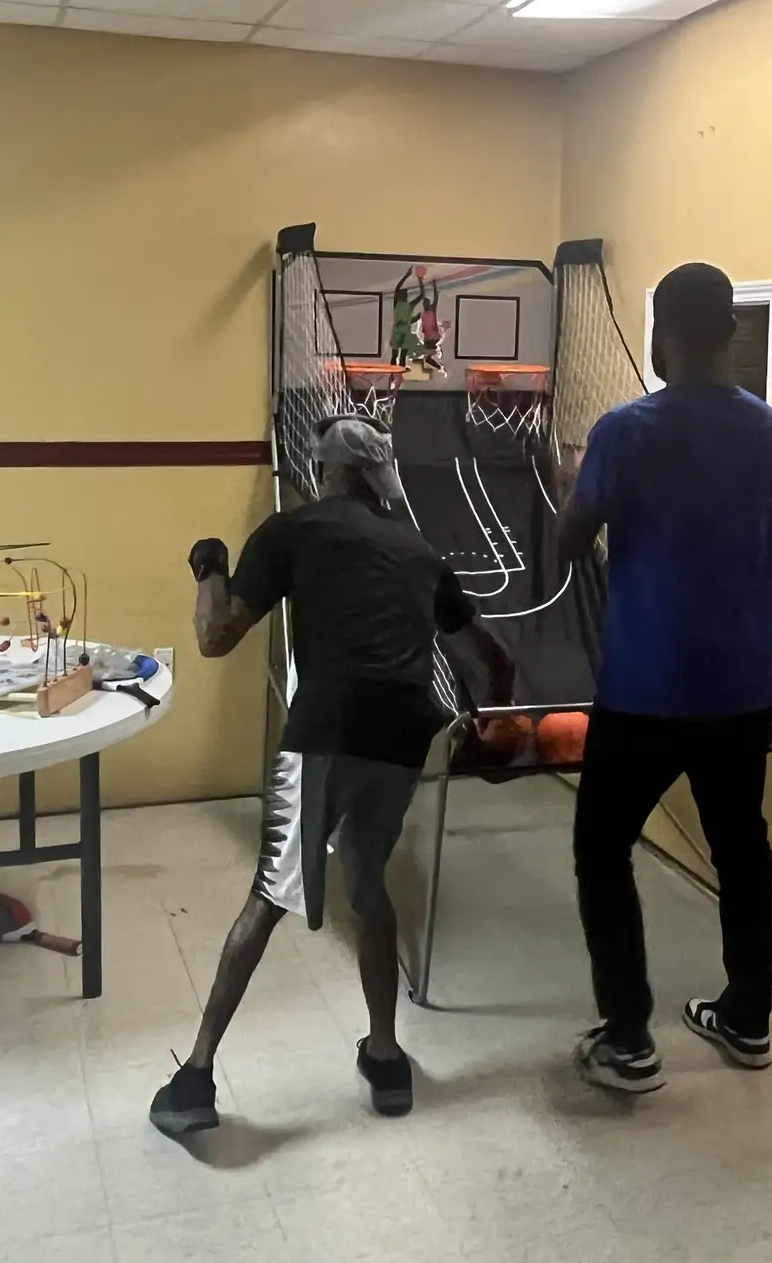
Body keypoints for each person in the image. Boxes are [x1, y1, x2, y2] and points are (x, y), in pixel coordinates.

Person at [151, 414, 515, 1136]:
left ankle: (194, 1078)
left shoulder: (292, 530)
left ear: (324, 468)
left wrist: (209, 567)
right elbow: (493, 662)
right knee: (368, 884)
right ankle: (385, 1056)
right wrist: (495, 729)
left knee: (269, 896)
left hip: (326, 730)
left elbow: (215, 636)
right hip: (404, 733)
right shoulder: (417, 549)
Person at [557, 261, 772, 1093]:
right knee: (741, 845)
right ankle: (749, 1018)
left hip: (648, 688)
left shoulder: (626, 431)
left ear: (661, 334)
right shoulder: (768, 430)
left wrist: (572, 488)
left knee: (601, 846)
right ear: (729, 332)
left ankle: (629, 1038)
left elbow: (569, 541)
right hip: (743, 684)